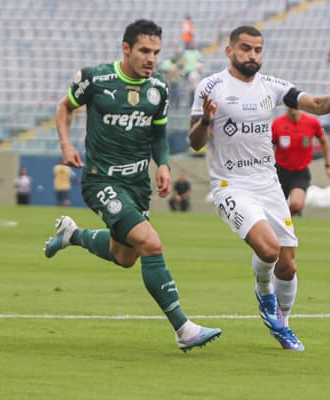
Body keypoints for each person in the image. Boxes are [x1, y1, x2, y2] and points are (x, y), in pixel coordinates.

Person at [43, 19, 221, 352]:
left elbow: (158, 134)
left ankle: (73, 235)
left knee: (125, 256)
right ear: (126, 49)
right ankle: (184, 329)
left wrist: (164, 164)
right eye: (144, 50)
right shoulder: (95, 78)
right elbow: (64, 107)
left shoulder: (159, 88)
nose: (151, 58)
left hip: (137, 184)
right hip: (102, 180)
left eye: (155, 51)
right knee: (151, 243)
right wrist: (66, 145)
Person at [188, 25, 330, 351]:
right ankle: (264, 295)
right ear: (230, 51)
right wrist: (206, 120)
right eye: (246, 48)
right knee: (268, 250)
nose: (252, 55)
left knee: (288, 265)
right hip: (230, 185)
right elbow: (194, 143)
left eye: (258, 50)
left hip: (268, 184)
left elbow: (317, 105)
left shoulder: (271, 86)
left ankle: (283, 325)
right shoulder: (211, 87)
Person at [272, 106, 330, 216]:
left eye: (295, 104)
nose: (293, 107)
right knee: (275, 208)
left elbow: (324, 141)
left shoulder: (312, 122)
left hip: (300, 172)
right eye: (290, 104)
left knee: (296, 204)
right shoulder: (277, 123)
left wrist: (328, 166)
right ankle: (280, 221)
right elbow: (270, 146)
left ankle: (286, 217)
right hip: (280, 171)